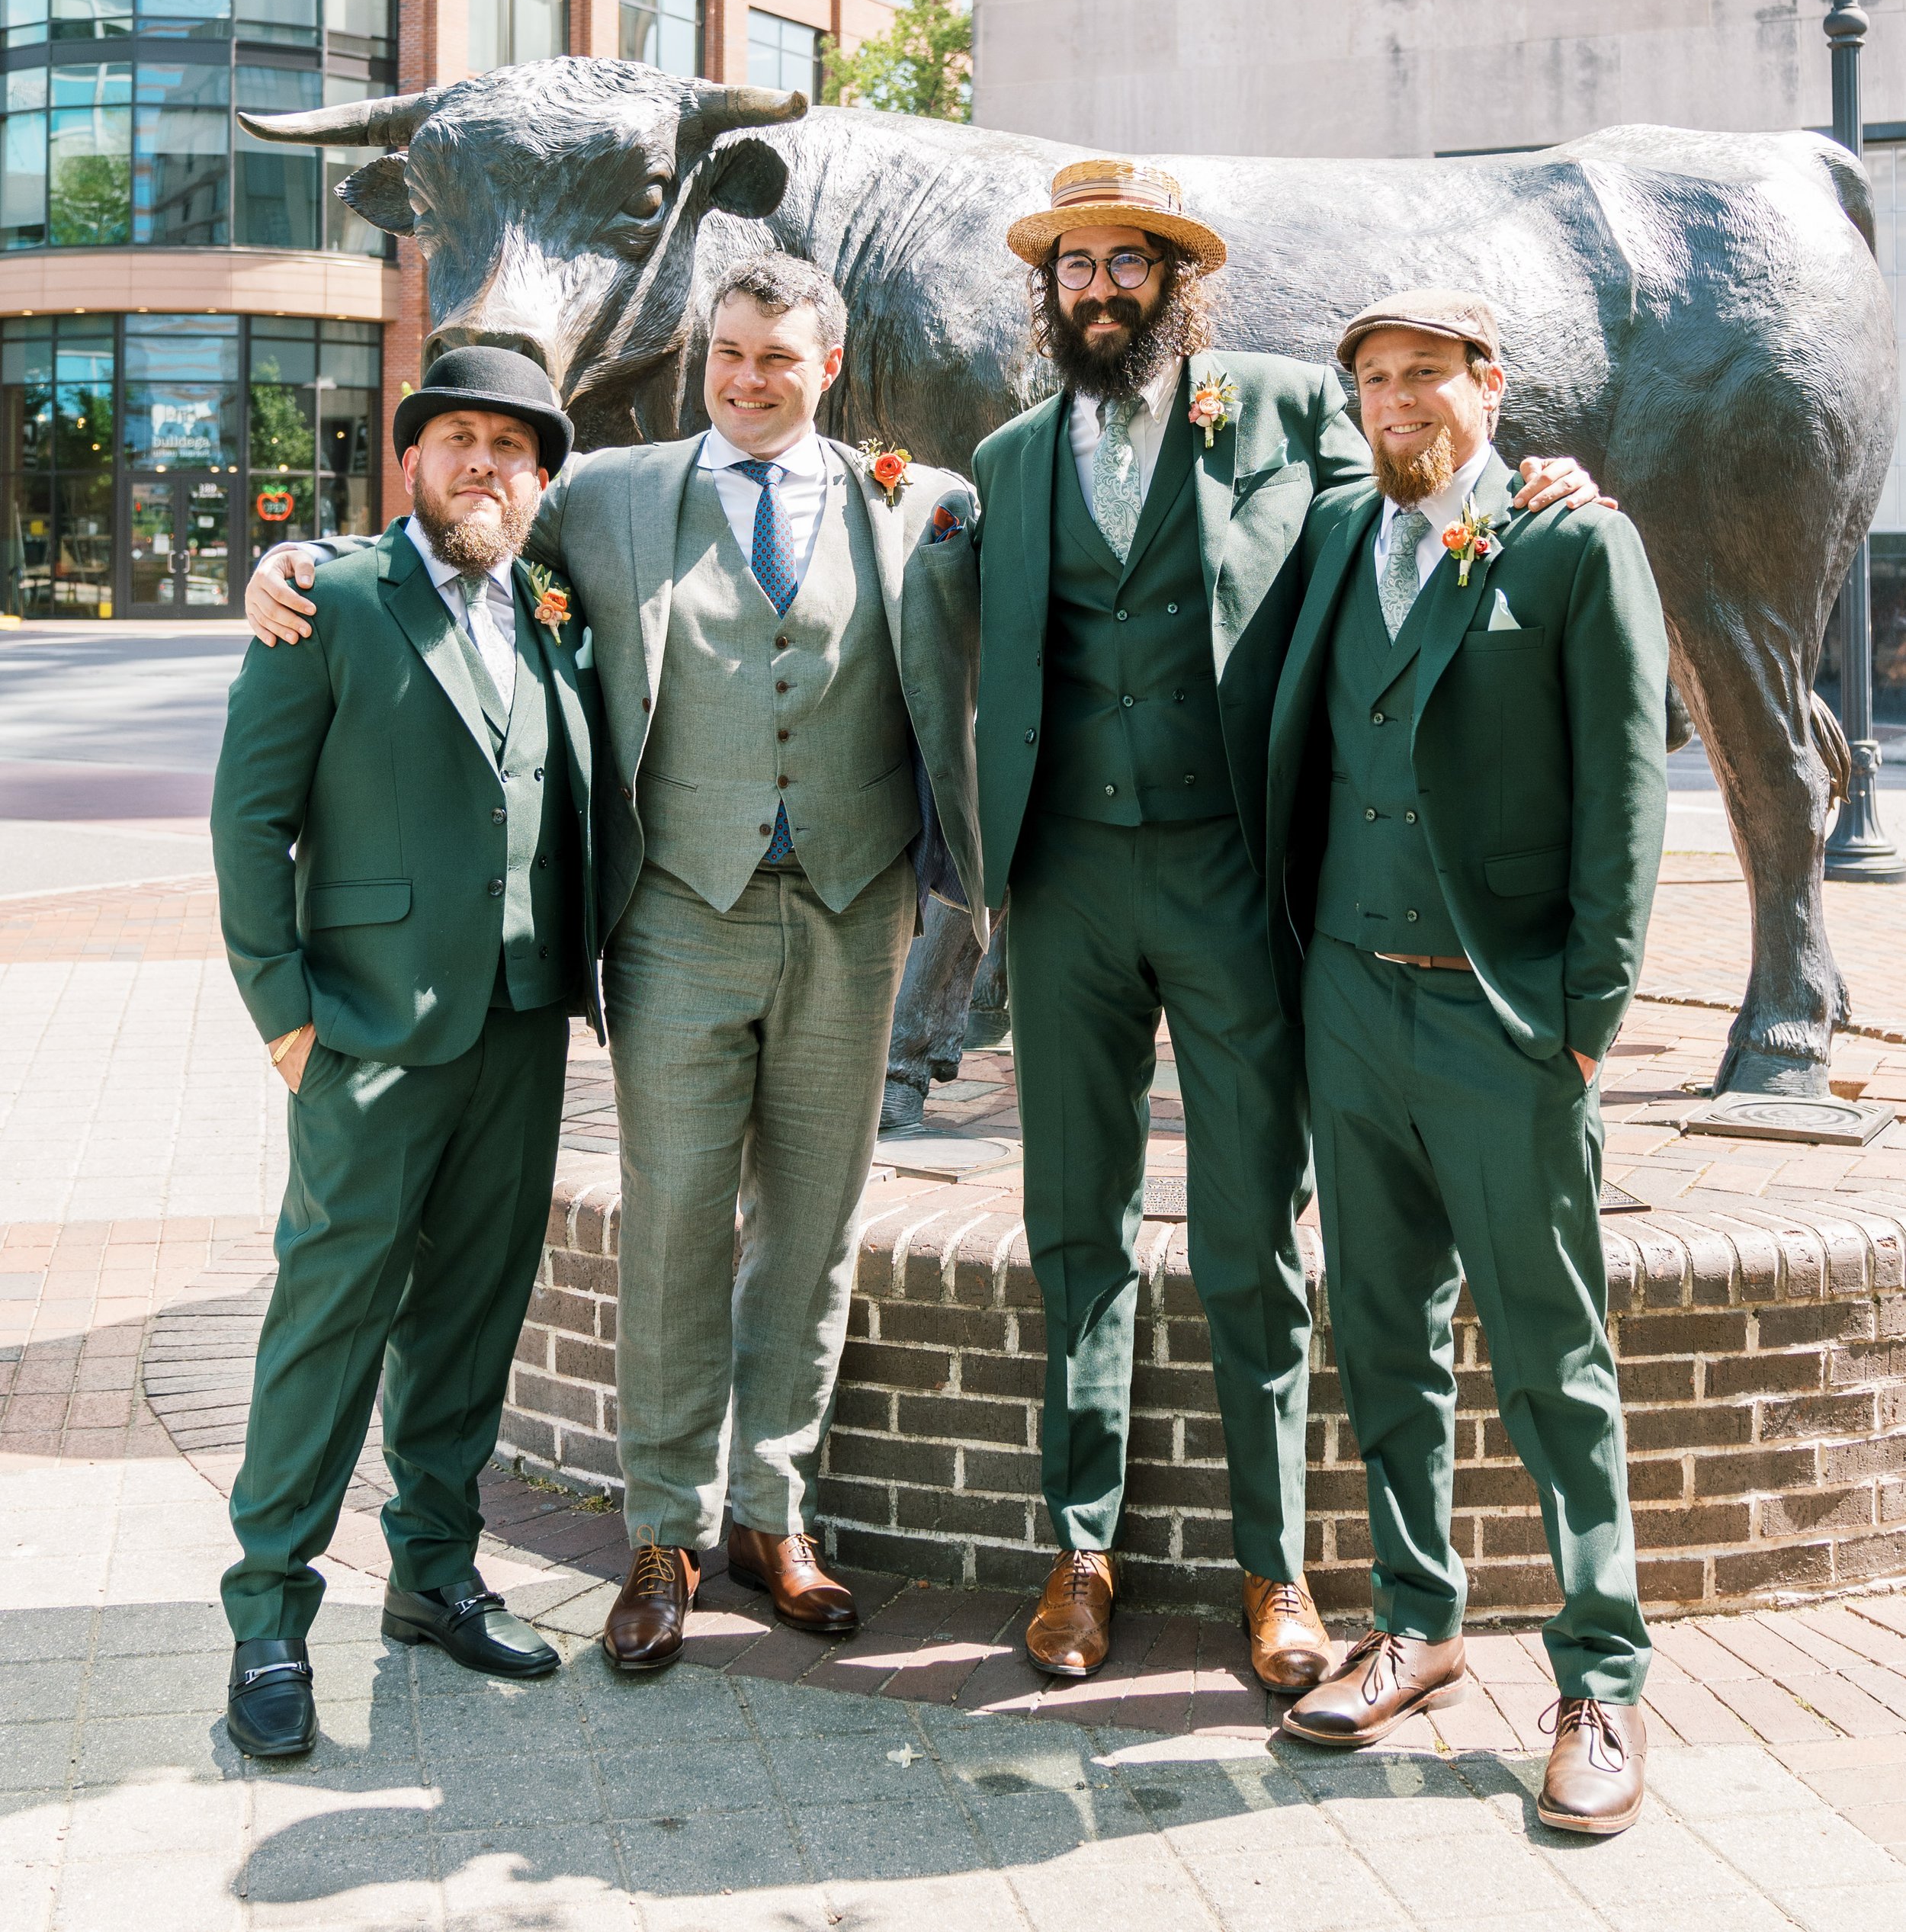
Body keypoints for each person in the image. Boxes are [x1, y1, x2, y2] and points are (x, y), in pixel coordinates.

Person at [246, 256, 982, 1674]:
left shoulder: (924, 501)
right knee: (673, 1224)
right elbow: (460, 538)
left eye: (778, 355)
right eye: (728, 352)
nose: (748, 377)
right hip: (675, 917)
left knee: (815, 1226)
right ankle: (664, 1530)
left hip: (852, 908)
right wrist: (296, 566)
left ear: (830, 366)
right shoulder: (610, 495)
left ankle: (776, 1514)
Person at [971, 162, 1599, 1690]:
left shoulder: (1271, 404)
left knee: (1253, 1224)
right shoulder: (995, 456)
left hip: (1230, 873)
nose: (1099, 286)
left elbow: (1405, 499)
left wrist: (1531, 488)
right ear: (1047, 289)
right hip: (1060, 883)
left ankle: (1277, 1564)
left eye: (1128, 262)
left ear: (1174, 277)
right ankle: (1080, 1543)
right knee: (1076, 1220)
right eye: (1075, 266)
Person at [1266, 290, 1667, 1837]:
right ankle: (1416, 1623)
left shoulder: (1570, 541)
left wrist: (1586, 1012)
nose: (1392, 402)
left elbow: (1619, 786)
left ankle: (1600, 1675)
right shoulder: (1327, 533)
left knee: (1549, 1355)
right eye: (1369, 380)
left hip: (1502, 1016)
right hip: (1348, 1004)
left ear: (1488, 385)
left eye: (1421, 375)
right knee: (1381, 1330)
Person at [212, 345, 602, 1760]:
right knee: (331, 1317)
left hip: (519, 1026)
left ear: (541, 475)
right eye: (457, 441)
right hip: (366, 1034)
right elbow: (248, 820)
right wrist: (284, 1014)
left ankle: (434, 1575)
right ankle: (268, 1613)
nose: (483, 465)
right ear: (413, 462)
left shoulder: (554, 614)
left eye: (510, 445)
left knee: (473, 1314)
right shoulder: (333, 599)